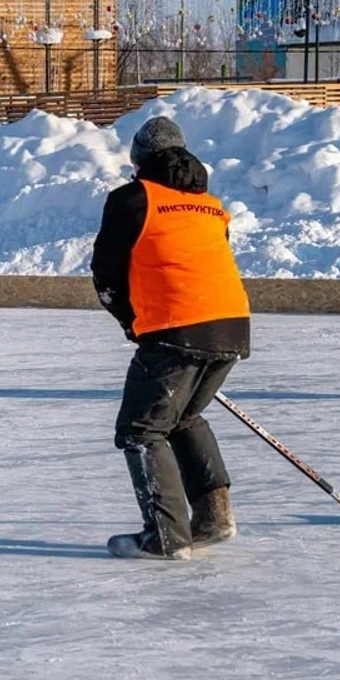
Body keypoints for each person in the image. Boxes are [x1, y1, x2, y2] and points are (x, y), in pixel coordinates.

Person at [91, 116, 251, 562]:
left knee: (141, 430)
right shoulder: (213, 207)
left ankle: (165, 536)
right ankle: (215, 517)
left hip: (176, 329)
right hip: (232, 324)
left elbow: (106, 273)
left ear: (139, 161)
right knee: (181, 419)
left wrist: (131, 320)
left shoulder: (131, 199)